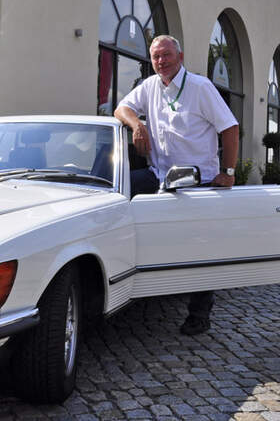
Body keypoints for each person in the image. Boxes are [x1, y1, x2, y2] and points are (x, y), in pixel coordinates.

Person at [114, 34, 239, 336]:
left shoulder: (200, 87)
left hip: (198, 181)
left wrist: (229, 171)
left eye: (166, 55)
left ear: (180, 57)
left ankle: (199, 313)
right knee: (118, 196)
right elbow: (121, 109)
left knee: (199, 247)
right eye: (156, 56)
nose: (161, 61)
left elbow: (230, 127)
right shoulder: (150, 86)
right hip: (160, 176)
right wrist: (138, 124)